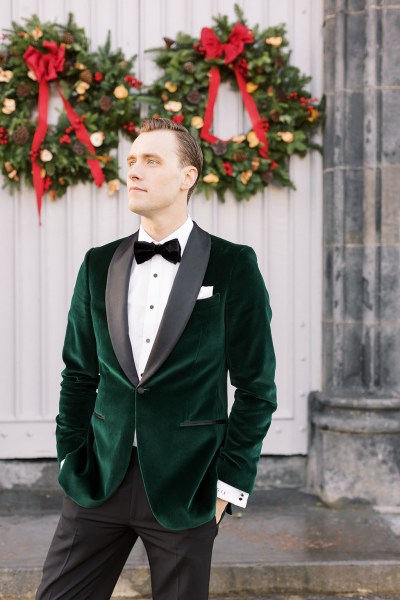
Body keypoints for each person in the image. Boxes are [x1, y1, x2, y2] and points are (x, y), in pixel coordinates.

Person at [36, 117, 277, 600]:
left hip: (186, 487)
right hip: (98, 478)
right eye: (131, 161)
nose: (135, 171)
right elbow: (79, 373)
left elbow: (256, 388)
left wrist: (228, 487)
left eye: (151, 160)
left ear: (187, 176)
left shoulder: (233, 264)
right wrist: (69, 456)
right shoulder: (98, 263)